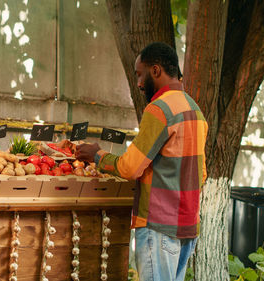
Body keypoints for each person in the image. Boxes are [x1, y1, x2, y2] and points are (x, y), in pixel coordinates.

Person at [76, 42, 208, 281]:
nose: (138, 83)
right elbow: (202, 174)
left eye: (140, 74)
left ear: (155, 70)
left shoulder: (159, 109)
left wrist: (97, 154)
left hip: (159, 227)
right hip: (187, 227)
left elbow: (130, 167)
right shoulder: (195, 109)